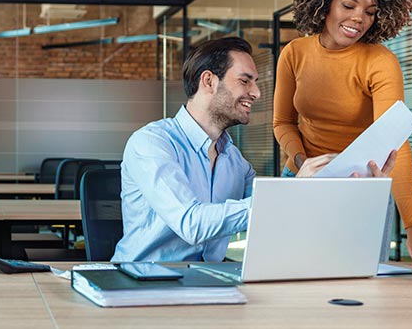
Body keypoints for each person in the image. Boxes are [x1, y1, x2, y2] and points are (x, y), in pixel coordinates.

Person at [112, 36, 395, 262]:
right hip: (141, 286)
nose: (257, 93)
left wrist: (356, 188)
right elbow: (191, 224)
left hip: (208, 285)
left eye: (255, 83)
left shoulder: (234, 161)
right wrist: (294, 191)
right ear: (209, 81)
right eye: (245, 80)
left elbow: (279, 219)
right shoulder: (151, 143)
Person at [273, 0, 412, 265]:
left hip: (360, 186)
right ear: (325, 2)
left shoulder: (379, 61)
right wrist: (303, 164)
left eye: (370, 11)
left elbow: (397, 145)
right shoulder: (294, 54)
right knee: (291, 272)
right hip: (302, 180)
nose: (359, 19)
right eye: (349, 5)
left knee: (362, 281)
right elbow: (282, 123)